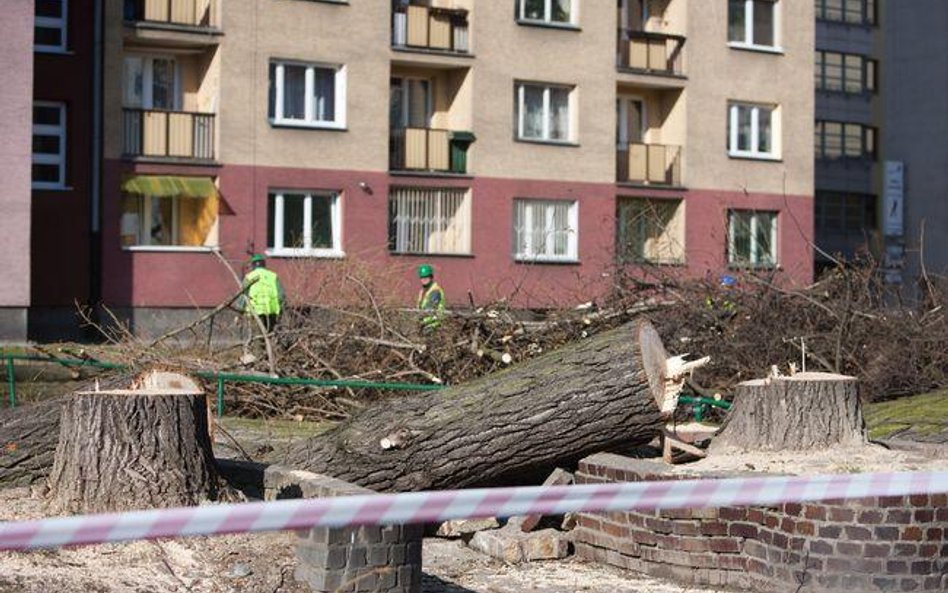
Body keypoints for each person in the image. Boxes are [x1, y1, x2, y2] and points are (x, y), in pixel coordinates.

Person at [241, 254, 285, 333]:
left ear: (253, 265)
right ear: (264, 264)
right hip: (271, 312)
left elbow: (243, 296)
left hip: (254, 313)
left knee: (258, 339)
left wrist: (239, 313)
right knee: (270, 337)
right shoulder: (273, 276)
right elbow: (281, 296)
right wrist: (281, 311)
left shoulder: (249, 277)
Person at [416, 263, 445, 332]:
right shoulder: (423, 291)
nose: (424, 279)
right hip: (424, 324)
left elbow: (430, 310)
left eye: (426, 277)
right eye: (422, 277)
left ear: (431, 277)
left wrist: (420, 319)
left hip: (433, 325)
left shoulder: (435, 291)